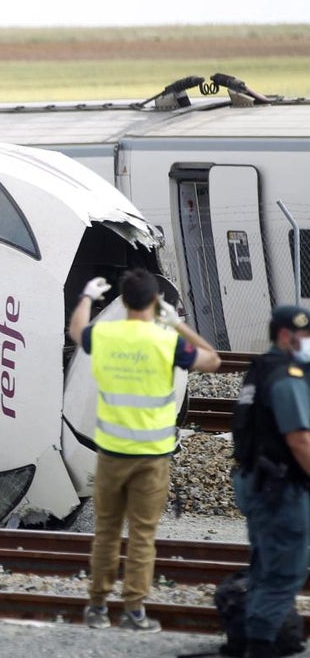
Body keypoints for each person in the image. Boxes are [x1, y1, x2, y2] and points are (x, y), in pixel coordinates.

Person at [68, 268, 220, 632]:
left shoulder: (106, 334)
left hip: (111, 455)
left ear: (122, 302)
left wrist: (87, 297)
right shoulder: (166, 341)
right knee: (142, 535)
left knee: (106, 533)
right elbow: (212, 359)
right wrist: (177, 323)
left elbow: (76, 332)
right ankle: (134, 610)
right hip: (152, 457)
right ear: (155, 302)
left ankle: (98, 607)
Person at [229, 305, 310, 658]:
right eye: (304, 335)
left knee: (265, 565)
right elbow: (299, 440)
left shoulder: (260, 369)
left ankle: (249, 638)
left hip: (256, 482)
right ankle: (259, 646)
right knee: (284, 573)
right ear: (285, 336)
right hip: (280, 490)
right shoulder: (286, 378)